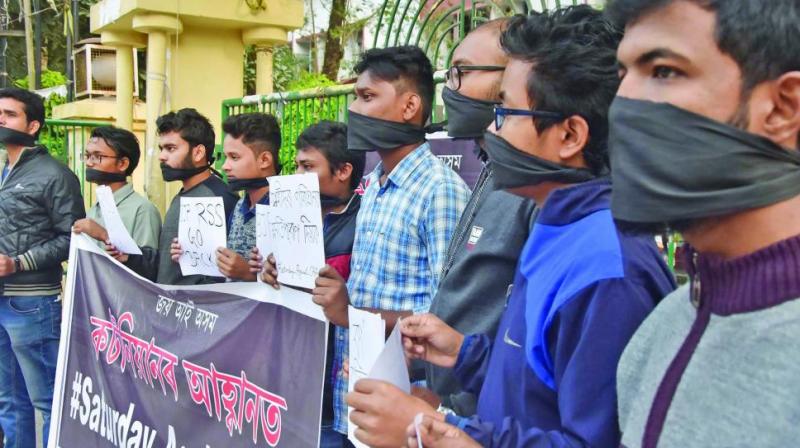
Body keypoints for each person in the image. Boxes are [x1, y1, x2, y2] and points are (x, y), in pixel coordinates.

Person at [348, 7, 675, 447]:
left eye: (504, 111)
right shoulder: (558, 229)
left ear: (569, 136)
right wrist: (463, 353)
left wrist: (434, 434)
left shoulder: (608, 269)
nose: (491, 127)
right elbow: (536, 384)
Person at [604, 0, 800, 446]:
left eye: (664, 70)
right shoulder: (660, 330)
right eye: (623, 74)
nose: (623, 104)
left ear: (783, 107)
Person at [424, 17, 537, 418]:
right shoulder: (491, 167)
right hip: (459, 408)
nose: (449, 88)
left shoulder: (535, 189)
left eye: (462, 72)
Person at [253, 120, 365, 447]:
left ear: (343, 171)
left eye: (308, 166)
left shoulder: (363, 224)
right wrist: (270, 273)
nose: (298, 176)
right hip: (289, 380)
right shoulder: (291, 218)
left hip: (331, 390)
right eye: (297, 166)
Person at [0, 87, 85, 448]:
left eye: (10, 114)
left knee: (48, 400)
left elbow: (72, 237)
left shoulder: (55, 174)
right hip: (3, 302)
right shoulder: (5, 171)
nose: (0, 119)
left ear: (33, 125)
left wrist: (17, 262)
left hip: (32, 302)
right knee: (9, 400)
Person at [171, 112, 281, 281]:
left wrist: (247, 274)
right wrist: (189, 253)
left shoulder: (286, 210)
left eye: (234, 157)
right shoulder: (240, 205)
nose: (225, 167)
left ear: (265, 160)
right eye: (225, 157)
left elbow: (298, 284)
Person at [155, 108, 238, 285]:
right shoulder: (183, 195)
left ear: (198, 153)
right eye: (161, 149)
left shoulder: (218, 198)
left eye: (171, 148)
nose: (162, 156)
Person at [71, 126, 162, 280]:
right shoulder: (94, 210)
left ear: (123, 164)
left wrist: (104, 235)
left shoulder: (142, 210)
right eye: (87, 156)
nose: (89, 162)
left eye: (98, 156)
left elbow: (148, 268)